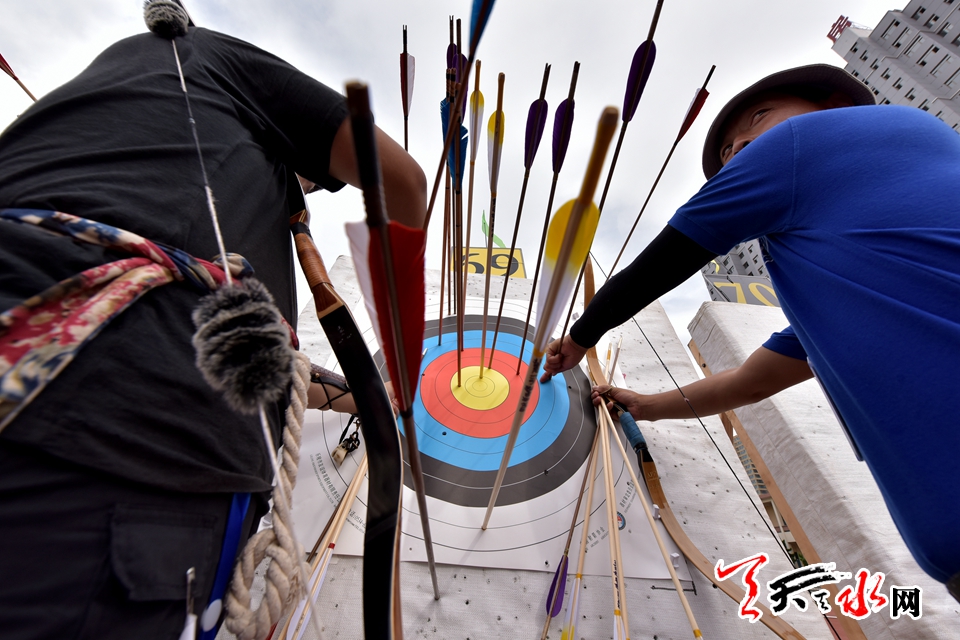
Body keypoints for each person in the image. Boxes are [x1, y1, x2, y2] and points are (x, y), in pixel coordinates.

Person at [0, 1, 424, 637]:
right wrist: (406, 357)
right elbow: (405, 181)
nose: (307, 192)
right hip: (122, 452)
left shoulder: (112, 103)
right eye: (310, 183)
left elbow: (265, 370)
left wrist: (362, 396)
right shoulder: (215, 61)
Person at [540, 63, 960, 594]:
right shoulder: (855, 296)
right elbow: (751, 382)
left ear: (833, 105)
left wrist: (580, 338)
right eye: (728, 152)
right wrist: (645, 406)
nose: (739, 148)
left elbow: (667, 259)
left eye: (759, 117)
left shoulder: (814, 139)